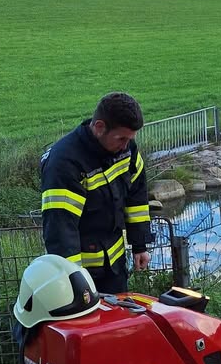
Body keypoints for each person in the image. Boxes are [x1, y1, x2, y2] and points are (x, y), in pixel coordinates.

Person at [40, 92, 153, 294]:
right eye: (121, 138)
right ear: (100, 127)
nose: (125, 145)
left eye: (129, 139)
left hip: (115, 268)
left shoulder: (126, 149)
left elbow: (137, 197)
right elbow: (61, 229)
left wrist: (139, 244)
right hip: (81, 274)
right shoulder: (65, 163)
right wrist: (73, 280)